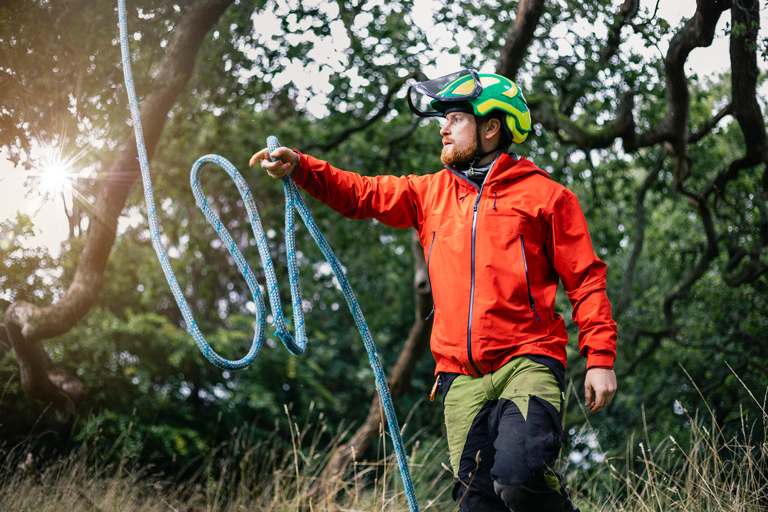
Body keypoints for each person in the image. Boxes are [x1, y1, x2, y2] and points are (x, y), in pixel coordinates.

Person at [250, 69, 617, 512]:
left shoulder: (549, 197)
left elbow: (586, 280)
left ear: (491, 127)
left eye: (455, 118)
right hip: (459, 378)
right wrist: (302, 167)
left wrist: (598, 358)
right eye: (442, 119)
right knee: (478, 506)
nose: (443, 128)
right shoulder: (429, 193)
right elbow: (362, 193)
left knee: (519, 481)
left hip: (528, 361)